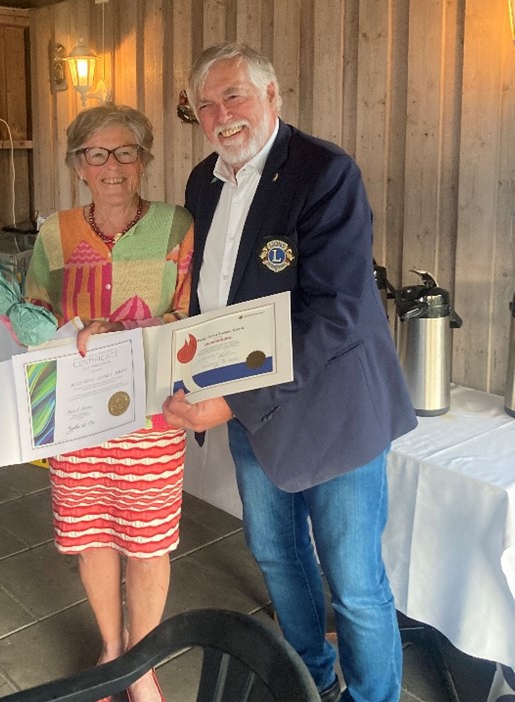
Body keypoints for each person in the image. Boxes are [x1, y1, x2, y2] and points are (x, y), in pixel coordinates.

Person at [162, 43, 417, 702]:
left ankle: (373, 696)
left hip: (333, 411)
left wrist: (228, 399)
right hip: (253, 411)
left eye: (234, 96)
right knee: (278, 557)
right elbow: (210, 298)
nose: (221, 115)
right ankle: (308, 680)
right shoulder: (201, 182)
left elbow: (336, 313)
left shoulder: (324, 172)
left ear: (271, 96)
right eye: (205, 105)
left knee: (354, 582)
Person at [0, 105, 193, 702]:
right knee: (91, 534)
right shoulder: (56, 232)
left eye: (125, 152)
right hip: (75, 408)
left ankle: (141, 663)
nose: (111, 165)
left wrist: (124, 331)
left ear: (144, 160)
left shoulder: (176, 225)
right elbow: (37, 318)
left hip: (150, 411)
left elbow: (192, 313)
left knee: (148, 541)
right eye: (96, 154)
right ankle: (111, 652)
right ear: (78, 166)